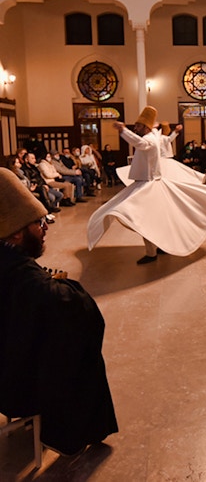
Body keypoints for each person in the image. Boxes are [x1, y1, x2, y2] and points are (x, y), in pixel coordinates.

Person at [0, 168, 118, 457]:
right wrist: (64, 289)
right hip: (16, 387)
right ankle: (67, 434)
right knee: (75, 350)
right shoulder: (28, 281)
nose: (47, 227)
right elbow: (84, 316)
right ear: (16, 232)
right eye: (40, 222)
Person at [88, 106, 206, 263]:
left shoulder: (150, 140)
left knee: (145, 219)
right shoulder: (151, 137)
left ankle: (152, 252)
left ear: (145, 127)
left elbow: (139, 143)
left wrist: (124, 131)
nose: (135, 127)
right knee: (152, 219)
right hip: (145, 184)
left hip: (149, 185)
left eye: (138, 126)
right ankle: (157, 247)